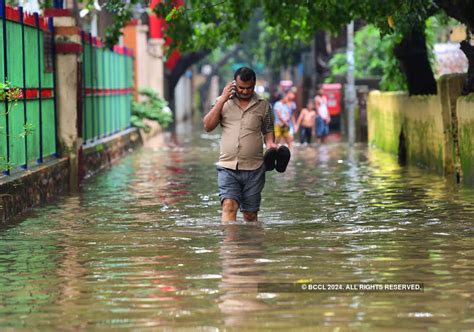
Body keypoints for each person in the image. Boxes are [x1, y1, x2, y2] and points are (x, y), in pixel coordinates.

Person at [203, 67, 277, 222]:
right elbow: (208, 126)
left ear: (254, 84)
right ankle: (230, 246)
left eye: (249, 88)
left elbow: (268, 130)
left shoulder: (264, 106)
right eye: (241, 88)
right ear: (234, 84)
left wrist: (271, 145)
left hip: (255, 168)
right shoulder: (221, 102)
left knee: (250, 215)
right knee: (229, 206)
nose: (244, 91)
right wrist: (223, 98)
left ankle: (248, 245)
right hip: (227, 167)